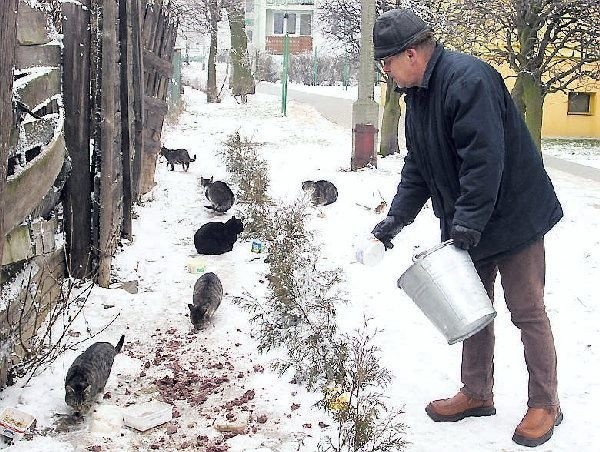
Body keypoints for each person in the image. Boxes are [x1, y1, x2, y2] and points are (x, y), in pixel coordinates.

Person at [371, 8, 564, 448]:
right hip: (470, 220)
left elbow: (485, 162)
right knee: (469, 308)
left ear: (413, 54)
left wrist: (466, 228)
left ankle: (545, 403)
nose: (385, 71)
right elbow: (418, 166)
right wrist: (393, 222)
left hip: (513, 216)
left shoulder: (467, 81)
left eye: (387, 62)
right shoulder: (417, 97)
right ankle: (477, 393)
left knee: (527, 310)